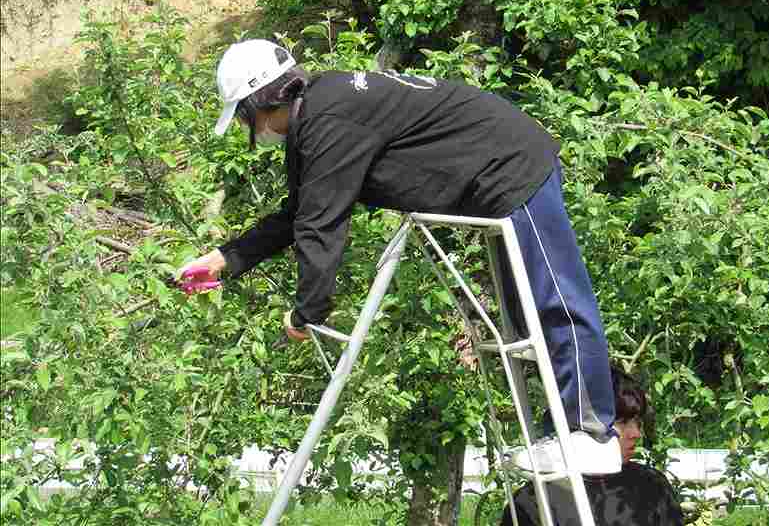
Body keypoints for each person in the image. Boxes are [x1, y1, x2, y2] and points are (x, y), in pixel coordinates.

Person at [177, 39, 619, 474]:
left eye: (243, 118)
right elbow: (301, 213)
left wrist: (307, 311)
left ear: (262, 100)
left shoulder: (329, 119)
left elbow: (320, 226)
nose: (247, 129)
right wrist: (225, 258)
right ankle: (562, 433)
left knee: (555, 305)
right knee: (525, 320)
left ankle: (592, 434)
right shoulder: (323, 110)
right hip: (496, 181)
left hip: (513, 168)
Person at [501, 367, 685, 526]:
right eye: (622, 422)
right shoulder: (535, 500)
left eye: (637, 421)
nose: (636, 433)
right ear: (585, 424)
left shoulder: (651, 486)